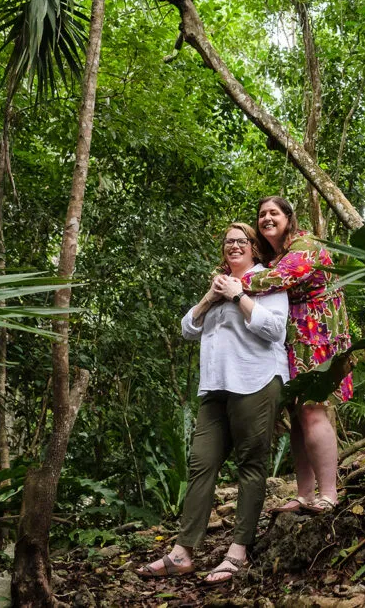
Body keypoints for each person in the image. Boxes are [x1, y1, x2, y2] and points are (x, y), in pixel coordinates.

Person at [138, 222, 289, 585]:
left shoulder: (267, 280)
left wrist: (239, 295)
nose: (234, 246)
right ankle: (183, 552)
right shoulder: (218, 284)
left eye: (241, 241)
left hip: (255, 381)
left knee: (251, 464)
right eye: (228, 242)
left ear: (254, 247)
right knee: (201, 464)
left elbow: (275, 331)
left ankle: (238, 551)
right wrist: (211, 296)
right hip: (215, 388)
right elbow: (187, 329)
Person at [214, 196, 351, 513]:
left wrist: (233, 282)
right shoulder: (275, 256)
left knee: (313, 411)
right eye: (261, 214)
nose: (266, 218)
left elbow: (280, 278)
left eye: (273, 213)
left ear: (289, 217)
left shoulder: (306, 244)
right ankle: (304, 494)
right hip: (291, 339)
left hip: (318, 336)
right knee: (298, 418)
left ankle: (329, 494)